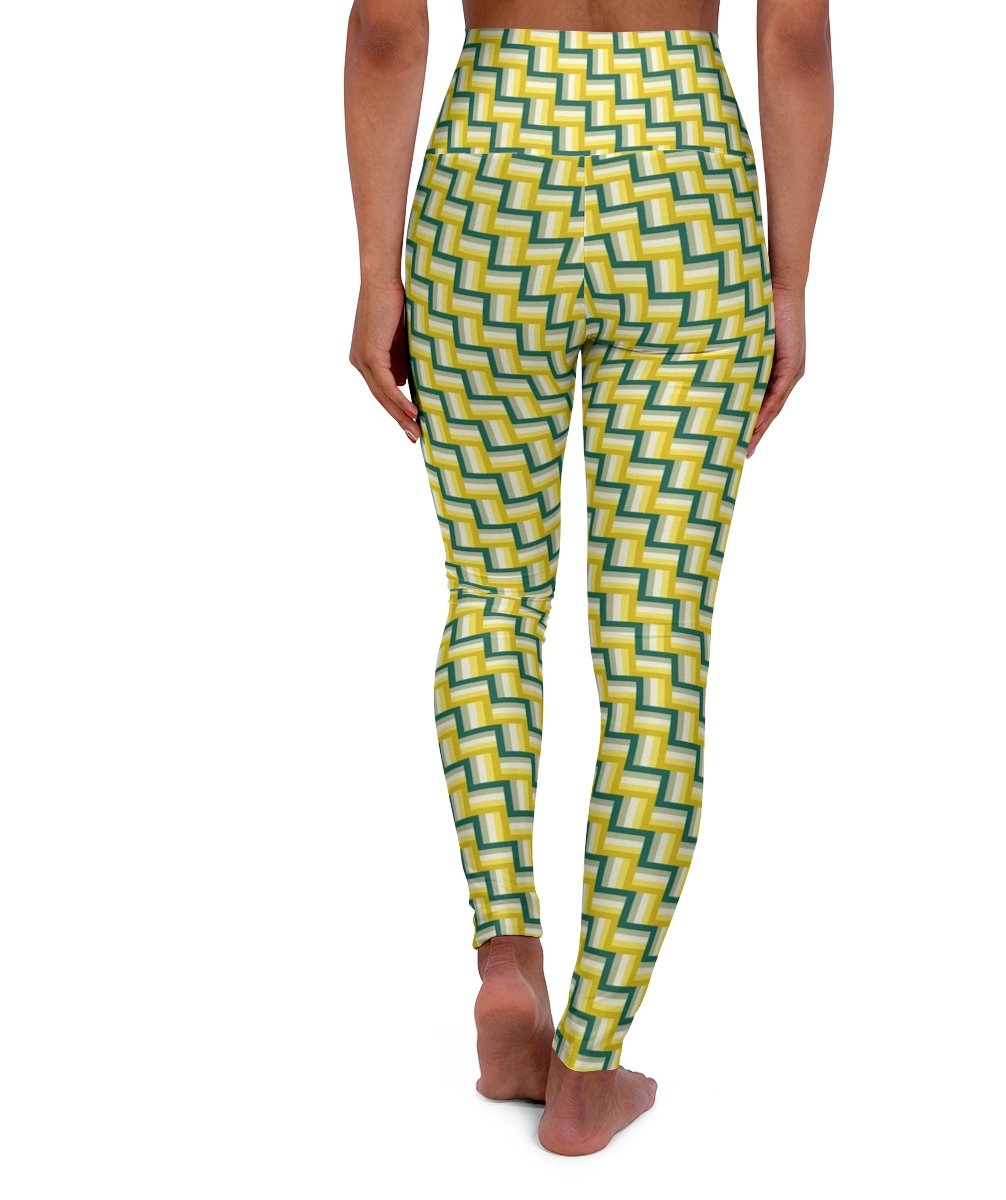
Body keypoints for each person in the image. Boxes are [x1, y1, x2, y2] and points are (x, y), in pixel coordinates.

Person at [345, 0, 833, 1155]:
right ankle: (590, 1065)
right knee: (655, 640)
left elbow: (386, 29)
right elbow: (797, 34)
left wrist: (375, 268)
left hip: (494, 160)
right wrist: (791, 282)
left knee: (493, 596)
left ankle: (507, 954)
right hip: (681, 177)